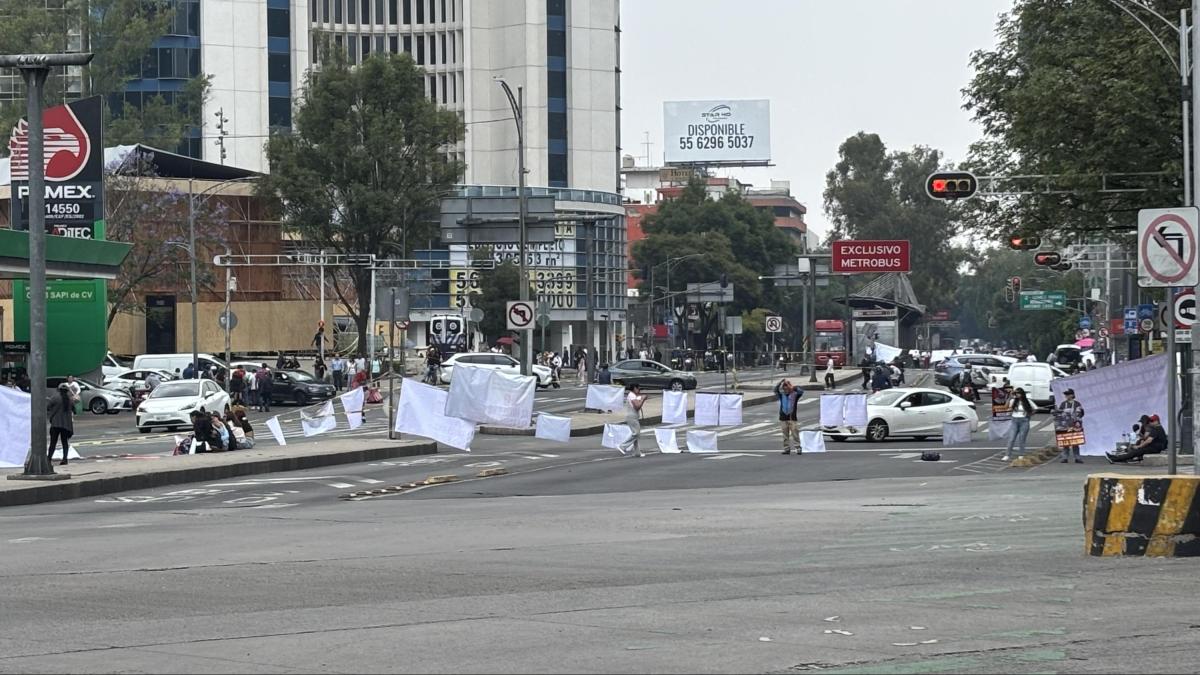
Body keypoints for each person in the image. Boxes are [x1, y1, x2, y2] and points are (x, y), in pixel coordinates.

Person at [1003, 387, 1034, 461]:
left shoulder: (1027, 401)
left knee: (1022, 439)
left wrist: (1028, 415)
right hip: (1014, 420)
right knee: (1011, 438)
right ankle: (1007, 455)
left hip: (1024, 421)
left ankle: (1021, 454)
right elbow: (1005, 407)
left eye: (1019, 393)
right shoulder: (1013, 401)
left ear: (1022, 394)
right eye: (1016, 393)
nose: (1017, 395)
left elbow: (1035, 409)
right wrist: (1009, 398)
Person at [47, 383, 74, 465]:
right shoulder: (69, 399)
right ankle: (65, 459)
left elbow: (48, 407)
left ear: (58, 389)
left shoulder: (55, 397)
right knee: (64, 442)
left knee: (53, 443)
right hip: (65, 424)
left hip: (55, 423)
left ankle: (48, 459)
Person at [1056, 388, 1085, 463]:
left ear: (1072, 395)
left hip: (1075, 424)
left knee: (1075, 441)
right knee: (1065, 441)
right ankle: (1064, 457)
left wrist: (1078, 421)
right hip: (1065, 424)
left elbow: (1080, 413)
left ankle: (1077, 457)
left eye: (1068, 394)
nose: (1066, 396)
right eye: (1066, 395)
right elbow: (1059, 413)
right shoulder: (1063, 404)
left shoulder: (1077, 404)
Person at [774, 378, 802, 455]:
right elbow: (775, 390)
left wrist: (792, 386)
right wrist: (780, 382)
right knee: (785, 434)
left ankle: (798, 447)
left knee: (795, 433)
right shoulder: (781, 395)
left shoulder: (795, 395)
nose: (786, 389)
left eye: (787, 388)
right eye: (784, 388)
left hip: (792, 417)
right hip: (783, 417)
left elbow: (801, 391)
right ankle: (786, 448)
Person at [618, 383, 646, 457]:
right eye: (638, 389)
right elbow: (637, 407)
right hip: (632, 417)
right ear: (635, 388)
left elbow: (637, 402)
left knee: (635, 434)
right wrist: (642, 399)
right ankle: (623, 446)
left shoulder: (633, 395)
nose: (639, 390)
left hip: (633, 416)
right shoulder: (632, 395)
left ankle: (637, 453)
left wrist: (641, 398)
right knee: (636, 433)